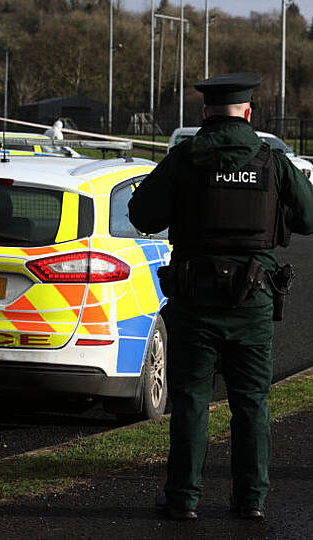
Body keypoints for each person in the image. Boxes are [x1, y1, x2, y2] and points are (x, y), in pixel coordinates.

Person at [128, 72, 313, 521]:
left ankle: (183, 499)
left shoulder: (184, 158)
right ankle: (251, 499)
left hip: (195, 302)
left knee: (191, 399)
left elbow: (142, 215)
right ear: (249, 112)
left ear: (204, 113)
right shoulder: (272, 160)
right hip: (253, 302)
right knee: (251, 402)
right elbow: (308, 217)